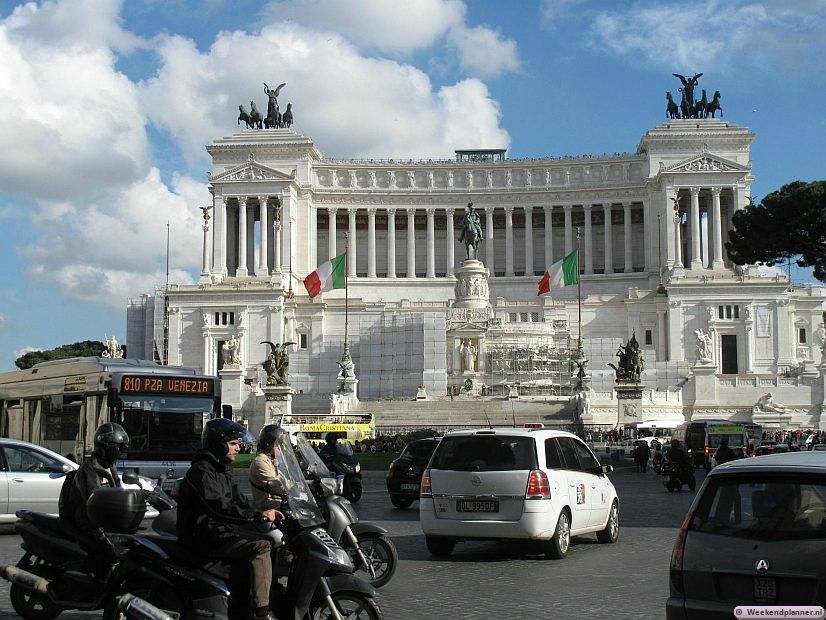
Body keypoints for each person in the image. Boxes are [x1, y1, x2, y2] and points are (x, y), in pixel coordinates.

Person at [177, 418, 281, 620]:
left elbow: (240, 501)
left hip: (218, 529)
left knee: (267, 539)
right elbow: (219, 506)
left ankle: (247, 600)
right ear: (218, 444)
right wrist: (257, 515)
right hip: (204, 533)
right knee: (262, 546)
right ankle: (261, 612)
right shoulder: (202, 471)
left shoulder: (220, 469)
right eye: (233, 444)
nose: (238, 448)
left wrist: (264, 512)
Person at [59, 422, 129, 574]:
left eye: (120, 448)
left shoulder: (110, 467)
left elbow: (118, 491)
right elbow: (94, 499)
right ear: (103, 448)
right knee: (111, 550)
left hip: (102, 519)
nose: (117, 452)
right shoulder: (89, 468)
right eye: (115, 448)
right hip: (88, 520)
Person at [248, 424, 287, 513]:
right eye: (277, 445)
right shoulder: (261, 461)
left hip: (278, 500)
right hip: (266, 504)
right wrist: (293, 489)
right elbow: (277, 485)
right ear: (267, 444)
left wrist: (306, 484)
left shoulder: (272, 460)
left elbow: (284, 479)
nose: (281, 447)